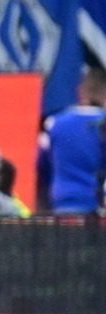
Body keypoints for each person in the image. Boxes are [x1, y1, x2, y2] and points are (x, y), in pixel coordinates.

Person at [36, 67, 106, 215]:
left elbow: (41, 166)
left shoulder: (54, 123)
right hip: (98, 208)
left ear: (80, 91)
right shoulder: (102, 123)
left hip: (63, 205)